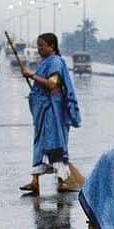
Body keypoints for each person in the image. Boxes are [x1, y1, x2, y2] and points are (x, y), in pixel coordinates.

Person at [19, 33, 81, 195]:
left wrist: (32, 76)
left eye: (42, 46)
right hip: (43, 112)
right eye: (38, 46)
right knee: (40, 143)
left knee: (55, 143)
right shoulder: (45, 63)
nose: (39, 49)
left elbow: (53, 85)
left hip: (53, 111)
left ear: (52, 46)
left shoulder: (55, 62)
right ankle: (35, 181)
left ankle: (63, 181)